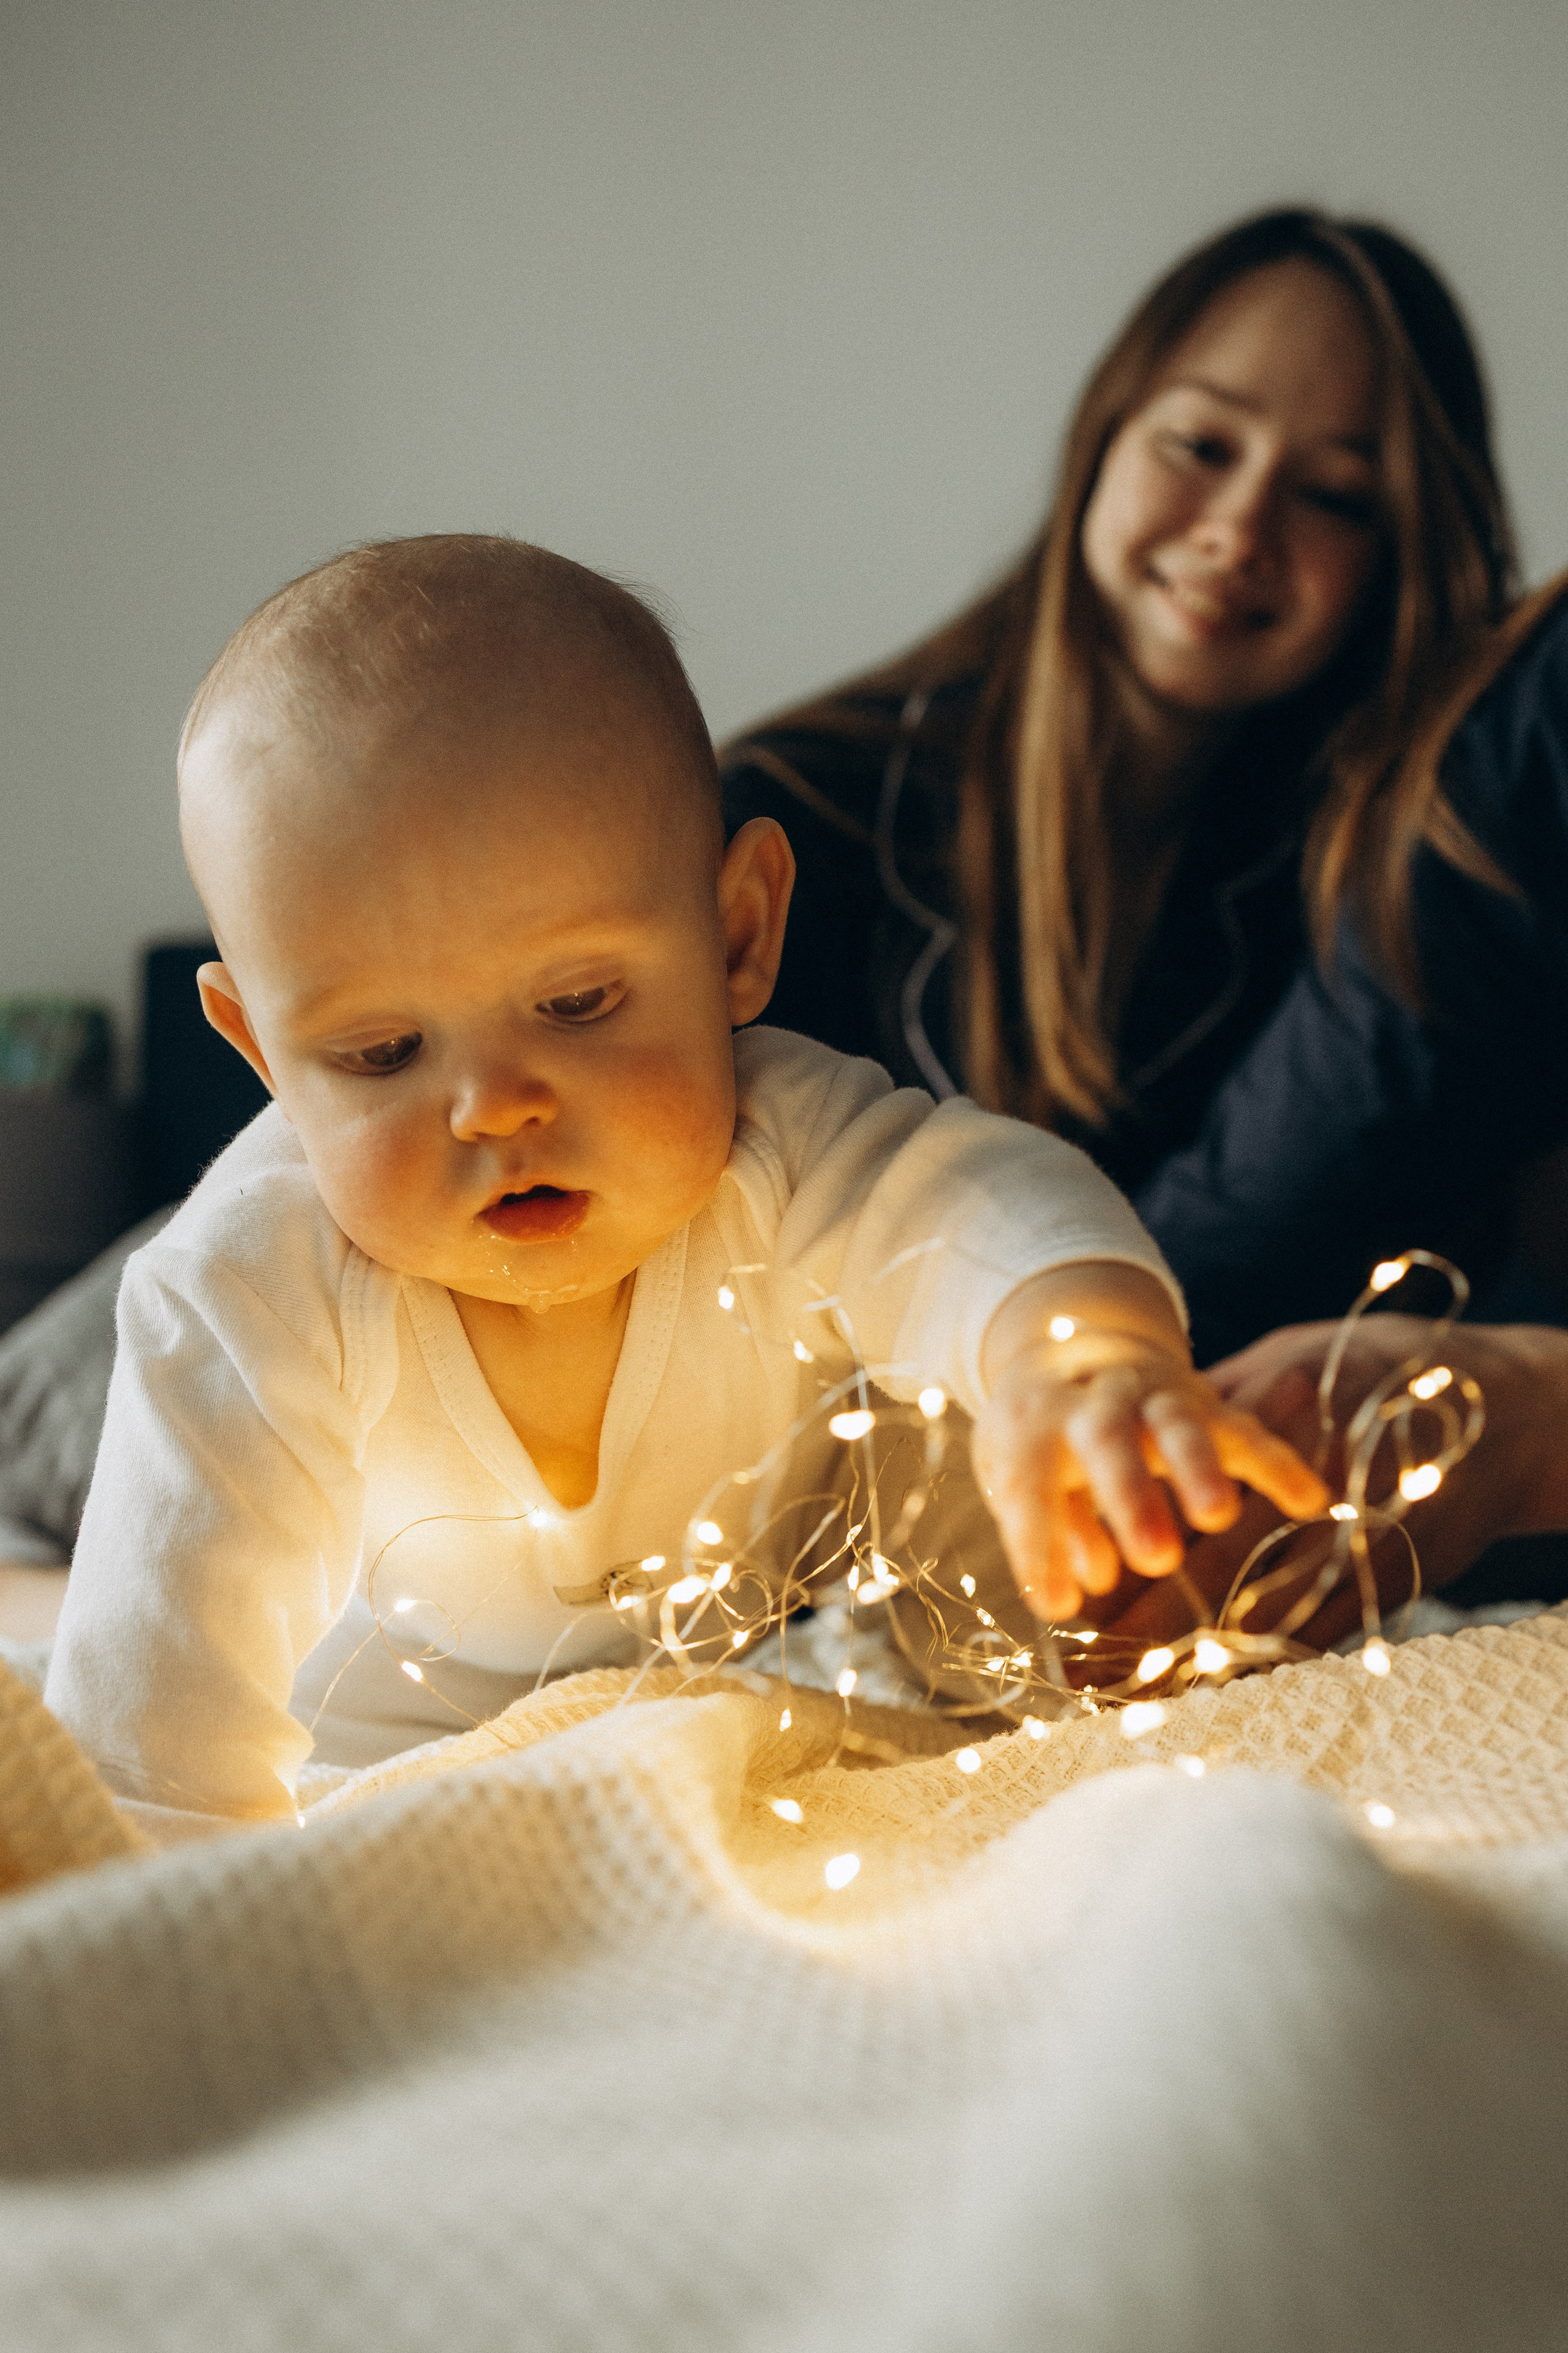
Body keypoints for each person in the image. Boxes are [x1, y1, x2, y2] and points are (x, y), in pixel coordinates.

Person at [43, 535, 1325, 1834]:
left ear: (737, 938)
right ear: (264, 1053)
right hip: (370, 1750)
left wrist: (1081, 1356)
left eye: (575, 1002)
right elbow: (147, 1742)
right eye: (381, 1053)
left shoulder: (780, 1141)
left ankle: (1064, 1660)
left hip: (731, 1673)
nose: (494, 1105)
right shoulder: (244, 1292)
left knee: (985, 1427)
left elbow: (961, 1202)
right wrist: (169, 1892)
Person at [721, 206, 1515, 1326]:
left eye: (1333, 495)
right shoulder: (794, 817)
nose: (1239, 532)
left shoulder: (1373, 895)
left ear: (1397, 560)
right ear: (1106, 432)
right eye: (1202, 446)